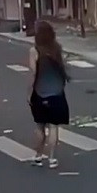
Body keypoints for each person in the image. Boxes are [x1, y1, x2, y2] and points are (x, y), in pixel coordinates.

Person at [28, 21, 71, 168]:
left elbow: (33, 73)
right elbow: (63, 68)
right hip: (57, 93)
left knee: (40, 126)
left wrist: (29, 92)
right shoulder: (57, 49)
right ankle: (52, 158)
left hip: (40, 93)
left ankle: (38, 156)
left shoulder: (34, 51)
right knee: (53, 127)